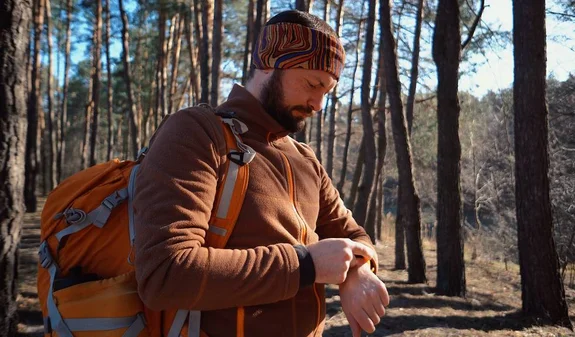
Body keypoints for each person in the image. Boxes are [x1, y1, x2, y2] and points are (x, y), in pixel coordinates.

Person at [133, 9, 389, 337]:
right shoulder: (198, 133)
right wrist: (306, 265)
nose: (318, 104)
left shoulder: (305, 160)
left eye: (327, 92)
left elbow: (354, 236)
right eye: (312, 84)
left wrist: (357, 271)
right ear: (270, 63)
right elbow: (165, 274)